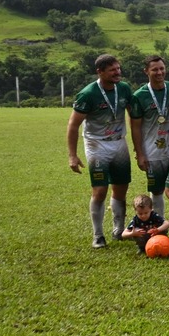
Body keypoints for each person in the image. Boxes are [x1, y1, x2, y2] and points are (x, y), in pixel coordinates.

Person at [67, 54, 134, 248]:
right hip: (97, 144)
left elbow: (134, 115)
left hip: (119, 142)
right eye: (112, 70)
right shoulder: (88, 94)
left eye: (118, 69)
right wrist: (72, 155)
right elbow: (73, 126)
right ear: (100, 72)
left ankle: (119, 230)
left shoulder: (124, 88)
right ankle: (98, 235)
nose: (117, 73)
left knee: (121, 188)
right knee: (100, 190)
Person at [129, 55, 169, 217]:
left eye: (162, 68)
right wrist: (140, 154)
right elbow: (135, 127)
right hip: (152, 152)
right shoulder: (139, 96)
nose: (159, 72)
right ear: (146, 71)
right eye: (155, 69)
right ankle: (159, 227)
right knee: (157, 190)